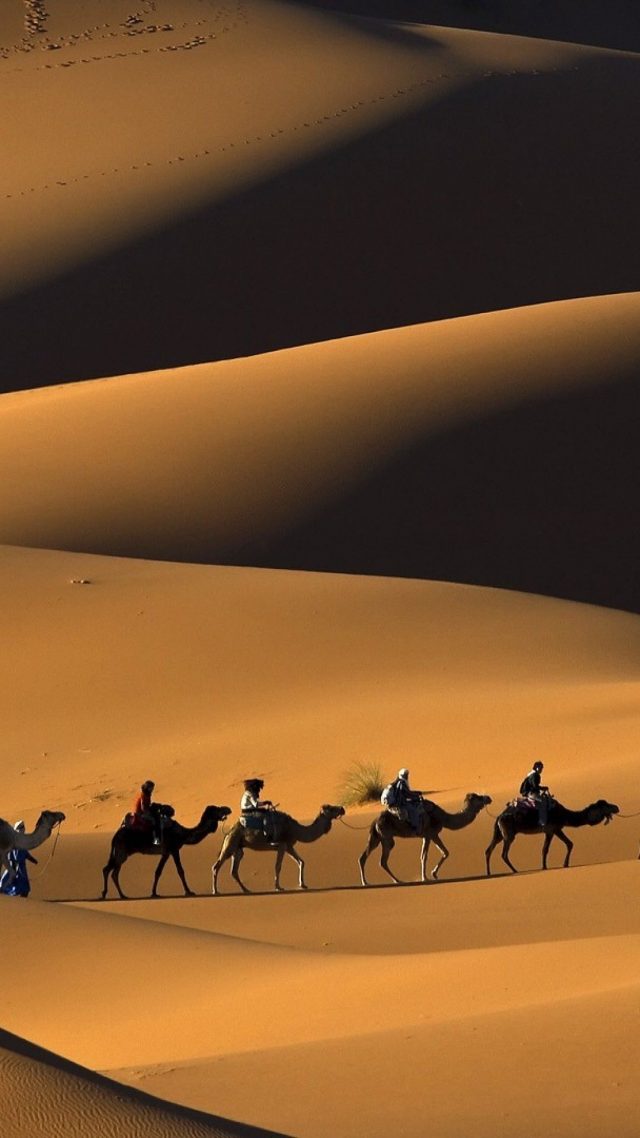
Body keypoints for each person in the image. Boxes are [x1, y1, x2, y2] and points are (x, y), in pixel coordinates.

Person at [0, 821, 37, 897]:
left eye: (22, 828)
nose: (21, 830)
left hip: (21, 867)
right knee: (5, 881)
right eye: (20, 828)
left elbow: (25, 853)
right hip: (12, 865)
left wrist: (33, 860)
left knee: (23, 884)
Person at [384, 768, 424, 832]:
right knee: (413, 810)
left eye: (406, 775)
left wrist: (416, 793)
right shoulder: (402, 783)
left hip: (398, 801)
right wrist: (417, 795)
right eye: (405, 775)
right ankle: (414, 828)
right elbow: (407, 794)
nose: (406, 776)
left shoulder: (397, 782)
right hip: (399, 803)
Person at [519, 761, 551, 826]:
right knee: (543, 802)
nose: (541, 770)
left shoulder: (532, 775)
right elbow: (535, 786)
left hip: (530, 792)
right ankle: (542, 821)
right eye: (540, 768)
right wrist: (543, 788)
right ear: (537, 768)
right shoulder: (534, 775)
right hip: (531, 793)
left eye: (542, 768)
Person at [130, 779, 161, 844]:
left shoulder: (146, 794)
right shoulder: (143, 794)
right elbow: (143, 807)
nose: (152, 789)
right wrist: (150, 812)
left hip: (141, 812)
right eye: (151, 788)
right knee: (153, 820)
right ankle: (155, 839)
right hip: (139, 813)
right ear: (148, 787)